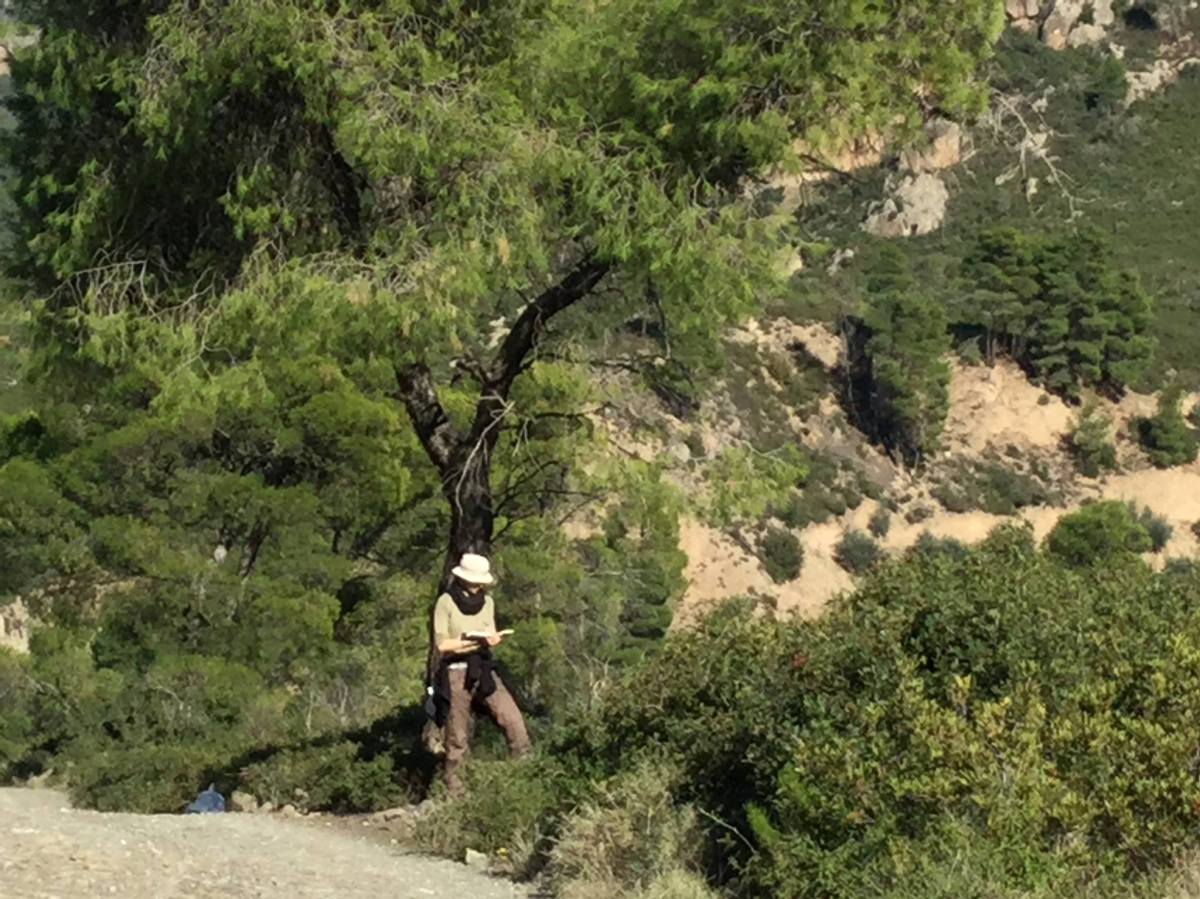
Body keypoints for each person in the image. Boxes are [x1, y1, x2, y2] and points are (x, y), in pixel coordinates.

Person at [429, 552, 530, 796]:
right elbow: (442, 644)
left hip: (483, 669)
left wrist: (492, 639)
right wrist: (468, 642)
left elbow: (490, 632)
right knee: (457, 736)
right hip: (456, 672)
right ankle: (456, 793)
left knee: (513, 721)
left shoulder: (488, 602)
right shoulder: (445, 602)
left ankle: (524, 780)